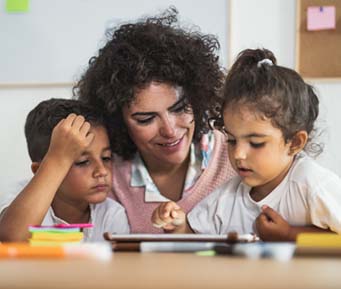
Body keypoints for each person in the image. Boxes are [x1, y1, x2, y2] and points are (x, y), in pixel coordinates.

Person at [74, 7, 235, 233]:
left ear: (198, 99)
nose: (169, 130)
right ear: (118, 121)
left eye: (180, 108)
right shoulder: (104, 174)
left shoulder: (237, 153)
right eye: (146, 119)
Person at [151, 48, 341, 240]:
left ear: (294, 143)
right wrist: (179, 226)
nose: (238, 154)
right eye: (232, 140)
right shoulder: (228, 197)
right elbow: (195, 241)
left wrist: (290, 234)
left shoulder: (313, 185)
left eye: (256, 143)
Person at [0, 99, 130, 242]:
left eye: (106, 158)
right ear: (41, 171)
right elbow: (12, 239)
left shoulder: (111, 214)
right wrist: (56, 159)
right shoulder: (17, 198)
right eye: (83, 162)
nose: (102, 171)